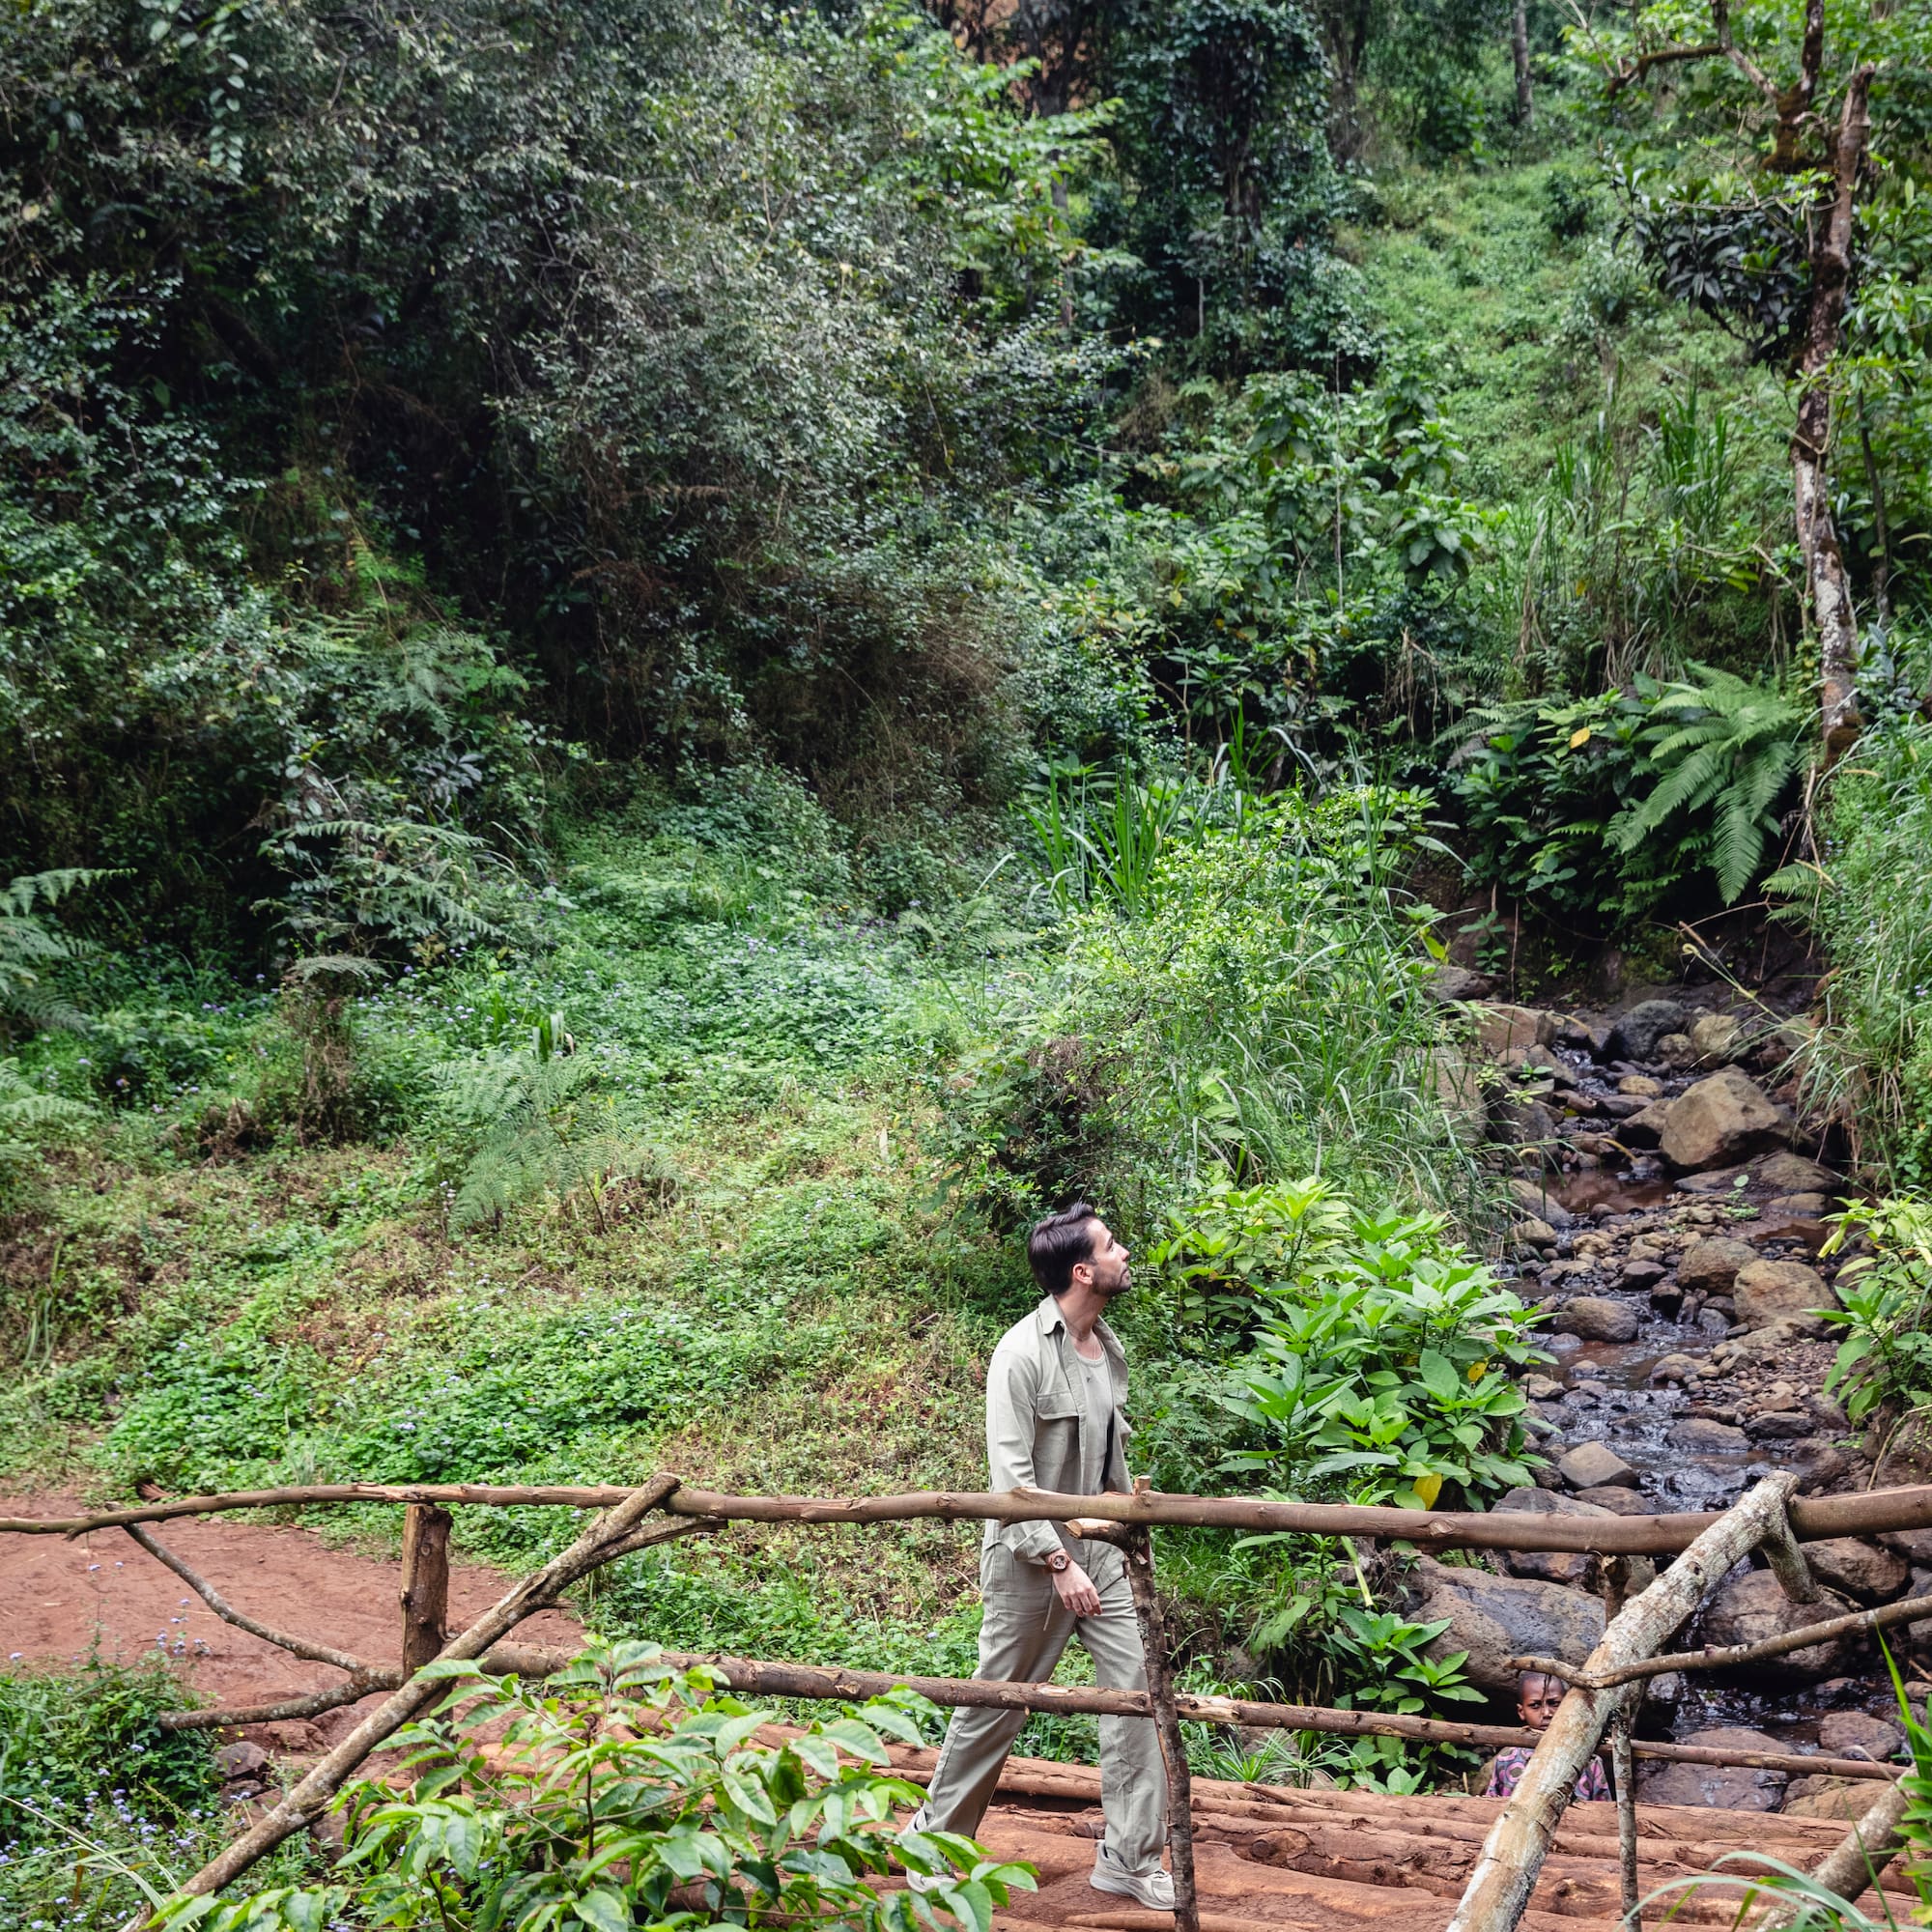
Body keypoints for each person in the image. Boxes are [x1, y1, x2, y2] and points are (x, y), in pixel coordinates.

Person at [904, 1203, 1172, 1908]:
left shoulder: (1108, 1349)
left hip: (1103, 1552)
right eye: (1112, 1246)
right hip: (1033, 1560)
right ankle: (932, 1841)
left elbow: (1113, 1463)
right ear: (1083, 1271)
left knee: (1139, 1697)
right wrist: (1060, 1563)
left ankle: (1130, 1858)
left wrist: (1124, 1541)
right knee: (998, 1703)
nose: (1123, 1255)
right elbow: (1011, 1478)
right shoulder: (1019, 1353)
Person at [1482, 1671, 1611, 1802]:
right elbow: (1492, 1805)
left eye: (1554, 1703)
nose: (1546, 1713)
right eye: (1535, 1705)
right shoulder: (1507, 1759)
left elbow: (1603, 1812)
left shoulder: (1589, 1760)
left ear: (1568, 1704)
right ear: (1521, 1712)